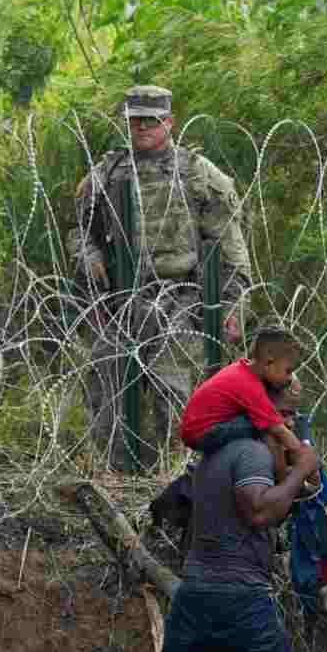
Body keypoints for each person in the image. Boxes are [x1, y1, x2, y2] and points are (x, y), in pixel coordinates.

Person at [56, 416, 321, 652]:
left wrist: (295, 473)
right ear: (269, 430)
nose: (291, 446)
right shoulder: (252, 455)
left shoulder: (216, 456)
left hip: (197, 593)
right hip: (243, 597)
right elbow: (262, 511)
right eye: (286, 436)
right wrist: (303, 470)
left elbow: (286, 495)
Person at [69, 84, 254, 474]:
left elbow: (229, 245)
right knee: (109, 391)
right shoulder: (107, 172)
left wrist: (235, 305)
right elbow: (80, 231)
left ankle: (177, 474)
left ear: (169, 122)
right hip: (120, 300)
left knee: (176, 392)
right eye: (135, 121)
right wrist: (89, 259)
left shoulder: (198, 174)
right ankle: (119, 477)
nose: (142, 128)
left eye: (151, 121)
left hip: (179, 297)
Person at [179, 327, 305, 466]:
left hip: (202, 428)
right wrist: (302, 453)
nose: (289, 378)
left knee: (265, 423)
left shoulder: (242, 369)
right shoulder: (249, 385)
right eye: (288, 371)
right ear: (269, 363)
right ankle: (282, 478)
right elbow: (278, 430)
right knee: (268, 431)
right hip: (204, 433)